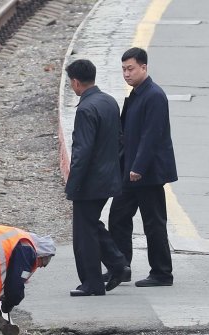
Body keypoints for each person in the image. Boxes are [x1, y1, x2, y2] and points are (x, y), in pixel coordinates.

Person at [109, 47, 178, 287]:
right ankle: (121, 268)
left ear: (144, 68)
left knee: (154, 223)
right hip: (130, 171)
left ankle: (162, 273)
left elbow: (152, 136)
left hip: (147, 173)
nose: (126, 74)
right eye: (124, 69)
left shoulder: (154, 95)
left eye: (131, 69)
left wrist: (138, 167)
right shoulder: (137, 93)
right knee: (117, 218)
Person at [64, 59, 130, 296]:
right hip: (110, 177)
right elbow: (119, 139)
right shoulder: (109, 102)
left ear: (75, 82)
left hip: (90, 182)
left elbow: (82, 151)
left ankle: (92, 283)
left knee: (84, 233)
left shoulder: (86, 109)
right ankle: (118, 264)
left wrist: (73, 184)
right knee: (91, 224)